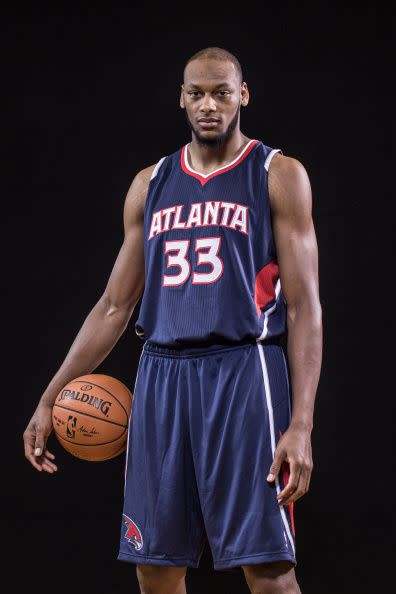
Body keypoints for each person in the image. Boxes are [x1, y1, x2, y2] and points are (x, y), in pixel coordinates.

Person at [23, 47, 322, 594]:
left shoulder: (277, 174)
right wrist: (49, 397)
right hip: (161, 376)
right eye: (197, 93)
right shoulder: (151, 183)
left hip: (243, 375)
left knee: (269, 568)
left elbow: (305, 307)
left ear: (242, 95)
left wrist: (300, 424)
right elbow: (115, 306)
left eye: (221, 92)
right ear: (182, 99)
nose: (209, 105)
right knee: (155, 567)